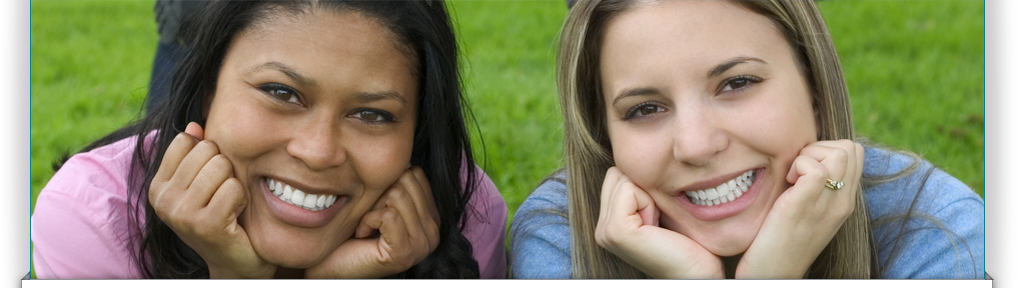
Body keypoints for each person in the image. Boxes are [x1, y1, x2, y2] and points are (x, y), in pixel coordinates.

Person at [32, 0, 507, 279]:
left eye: (372, 114)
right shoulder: (95, 221)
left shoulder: (465, 215)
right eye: (281, 93)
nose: (318, 151)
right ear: (207, 89)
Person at [510, 0, 983, 279]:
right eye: (645, 108)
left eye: (736, 83)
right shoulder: (560, 239)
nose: (696, 145)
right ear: (603, 134)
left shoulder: (933, 231)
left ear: (815, 89)